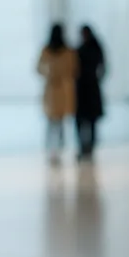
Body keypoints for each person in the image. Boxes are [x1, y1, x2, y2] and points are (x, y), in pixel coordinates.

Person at [36, 24, 77, 162]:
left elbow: (73, 70)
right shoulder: (52, 50)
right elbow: (39, 69)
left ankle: (55, 150)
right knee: (55, 123)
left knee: (55, 123)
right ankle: (53, 150)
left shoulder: (62, 51)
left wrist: (53, 74)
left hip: (57, 90)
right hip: (56, 90)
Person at [73, 24, 106, 159]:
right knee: (82, 121)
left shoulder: (89, 49)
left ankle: (89, 148)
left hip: (88, 88)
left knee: (89, 121)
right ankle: (83, 147)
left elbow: (103, 68)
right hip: (84, 88)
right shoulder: (84, 49)